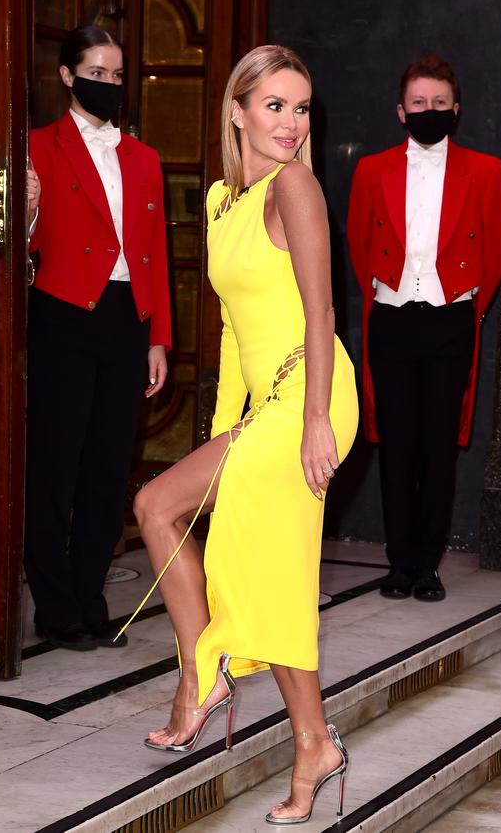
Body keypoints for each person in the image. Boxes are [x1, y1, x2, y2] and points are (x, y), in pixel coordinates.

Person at [124, 45, 358, 824]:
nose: (291, 124)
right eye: (275, 106)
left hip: (315, 395)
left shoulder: (296, 187)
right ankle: (209, 669)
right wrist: (224, 436)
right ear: (237, 110)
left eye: (300, 108)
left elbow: (323, 312)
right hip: (266, 407)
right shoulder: (227, 198)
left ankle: (305, 738)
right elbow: (229, 333)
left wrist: (316, 418)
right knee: (158, 505)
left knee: (272, 571)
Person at [24, 25, 171, 651]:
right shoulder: (35, 146)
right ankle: (54, 604)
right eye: (95, 72)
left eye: (115, 74)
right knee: (57, 464)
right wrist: (26, 208)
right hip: (62, 313)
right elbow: (17, 243)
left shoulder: (144, 158)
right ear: (66, 75)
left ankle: (88, 595)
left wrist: (157, 337)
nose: (106, 83)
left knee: (109, 468)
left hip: (125, 319)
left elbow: (157, 253)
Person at [347, 54, 501, 602]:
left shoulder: (485, 171)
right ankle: (400, 563)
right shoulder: (372, 169)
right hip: (391, 320)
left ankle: (429, 564)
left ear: (456, 109)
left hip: (450, 321)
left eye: (440, 103)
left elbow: (496, 250)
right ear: (401, 110)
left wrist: (463, 303)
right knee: (395, 444)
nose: (429, 111)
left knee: (439, 445)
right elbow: (358, 245)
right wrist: (388, 290)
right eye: (419, 102)